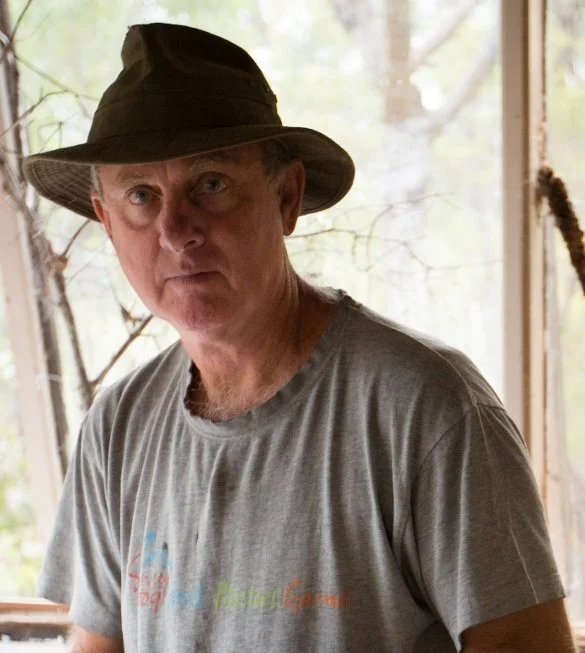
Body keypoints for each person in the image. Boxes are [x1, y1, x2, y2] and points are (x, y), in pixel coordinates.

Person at [24, 22, 576, 653]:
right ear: (106, 219)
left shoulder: (426, 408)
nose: (176, 231)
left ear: (286, 196)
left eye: (211, 184)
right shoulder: (118, 427)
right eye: (141, 196)